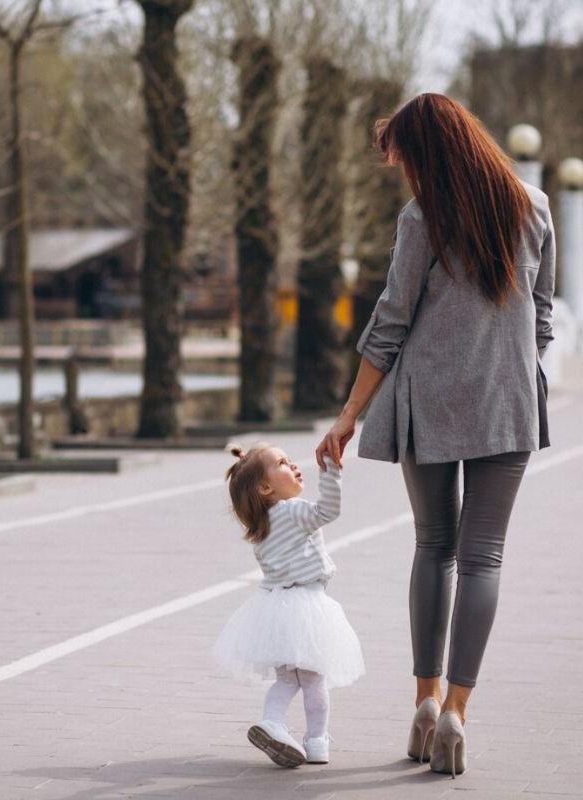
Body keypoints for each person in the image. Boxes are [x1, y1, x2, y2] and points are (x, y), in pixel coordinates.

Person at [315, 93, 555, 778]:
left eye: (404, 160)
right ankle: (456, 711)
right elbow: (542, 318)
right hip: (508, 403)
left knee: (434, 545)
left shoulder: (422, 217)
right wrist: (511, 370)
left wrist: (349, 414)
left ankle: (423, 702)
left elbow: (391, 321)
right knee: (484, 558)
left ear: (428, 154)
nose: (403, 173)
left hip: (427, 401)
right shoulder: (535, 207)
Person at [213, 443, 365, 768]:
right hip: (307, 607)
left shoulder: (261, 527)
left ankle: (272, 722)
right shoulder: (292, 511)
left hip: (275, 612)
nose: (294, 465)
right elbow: (327, 511)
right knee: (314, 680)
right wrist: (331, 472)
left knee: (286, 680)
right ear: (265, 488)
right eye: (283, 463)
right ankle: (317, 742)